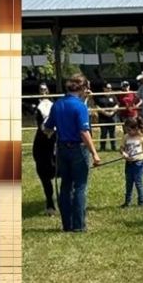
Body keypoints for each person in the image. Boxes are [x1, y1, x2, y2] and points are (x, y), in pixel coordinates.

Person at [42, 75, 102, 232]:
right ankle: (79, 226)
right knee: (80, 187)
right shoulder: (80, 107)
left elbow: (47, 128)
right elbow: (84, 132)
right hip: (78, 149)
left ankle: (66, 225)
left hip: (62, 149)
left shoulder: (57, 104)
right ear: (82, 88)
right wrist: (94, 153)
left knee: (66, 186)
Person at [33, 86, 58, 216]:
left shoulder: (53, 104)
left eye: (45, 89)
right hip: (42, 138)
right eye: (41, 89)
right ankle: (50, 202)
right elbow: (40, 123)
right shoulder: (37, 105)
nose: (43, 91)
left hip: (54, 134)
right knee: (43, 171)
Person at [119, 118, 143, 208]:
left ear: (136, 128)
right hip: (128, 163)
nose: (128, 132)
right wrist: (124, 153)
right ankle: (127, 202)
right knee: (128, 183)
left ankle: (141, 203)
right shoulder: (126, 137)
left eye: (130, 130)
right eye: (127, 130)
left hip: (138, 163)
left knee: (138, 183)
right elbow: (121, 148)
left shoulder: (142, 137)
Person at [91, 80, 118, 152]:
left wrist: (112, 112)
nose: (110, 89)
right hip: (103, 118)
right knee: (103, 133)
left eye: (110, 88)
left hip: (112, 117)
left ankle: (113, 147)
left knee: (112, 133)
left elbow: (117, 105)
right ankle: (102, 147)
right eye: (108, 88)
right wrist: (105, 113)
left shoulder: (113, 96)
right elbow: (97, 106)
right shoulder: (99, 97)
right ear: (104, 88)